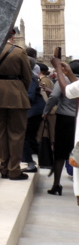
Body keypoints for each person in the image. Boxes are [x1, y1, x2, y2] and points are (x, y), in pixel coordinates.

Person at [0, 28, 32, 180]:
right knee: (16, 133)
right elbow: (27, 77)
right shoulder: (19, 52)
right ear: (13, 37)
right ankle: (14, 170)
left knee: (1, 131)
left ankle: (4, 168)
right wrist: (19, 90)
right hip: (16, 94)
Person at [46, 59, 79, 196]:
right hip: (76, 120)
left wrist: (45, 111)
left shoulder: (63, 79)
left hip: (65, 120)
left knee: (60, 153)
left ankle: (56, 184)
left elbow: (55, 96)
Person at [21, 57, 46, 173]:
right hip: (36, 110)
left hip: (33, 111)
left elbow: (29, 96)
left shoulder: (29, 78)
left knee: (24, 136)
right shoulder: (32, 77)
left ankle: (30, 163)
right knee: (31, 138)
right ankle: (44, 161)